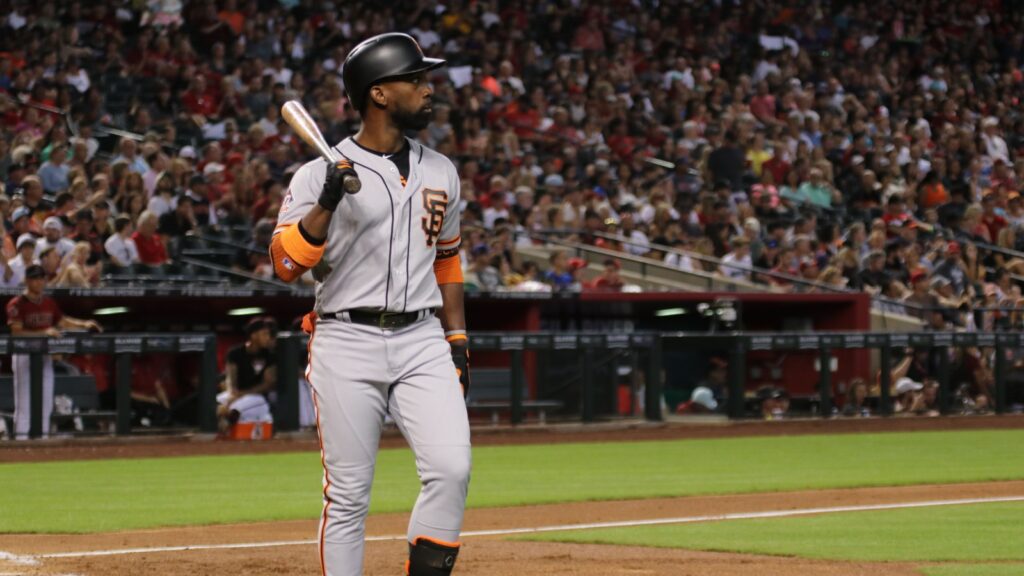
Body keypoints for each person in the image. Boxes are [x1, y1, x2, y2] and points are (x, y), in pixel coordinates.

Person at [268, 33, 471, 576]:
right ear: (379, 94)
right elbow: (286, 265)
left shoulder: (442, 171)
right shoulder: (317, 173)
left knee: (451, 468)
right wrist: (327, 203)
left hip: (422, 338)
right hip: (346, 339)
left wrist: (457, 338)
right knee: (350, 494)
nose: (428, 90)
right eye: (416, 80)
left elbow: (447, 260)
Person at [6, 265, 101, 439]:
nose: (39, 282)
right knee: (24, 402)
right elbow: (16, 332)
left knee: (46, 400)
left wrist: (84, 324)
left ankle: (41, 439)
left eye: (42, 278)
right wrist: (43, 333)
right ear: (27, 280)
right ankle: (21, 440)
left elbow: (62, 321)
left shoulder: (49, 302)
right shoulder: (17, 303)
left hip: (44, 355)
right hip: (24, 354)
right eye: (35, 278)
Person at [224, 317, 278, 399]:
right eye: (264, 334)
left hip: (258, 397)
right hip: (237, 394)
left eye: (268, 334)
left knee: (233, 410)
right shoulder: (235, 353)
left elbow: (268, 385)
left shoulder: (270, 354)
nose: (268, 337)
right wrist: (233, 393)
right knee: (216, 405)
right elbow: (231, 379)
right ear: (254, 336)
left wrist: (243, 394)